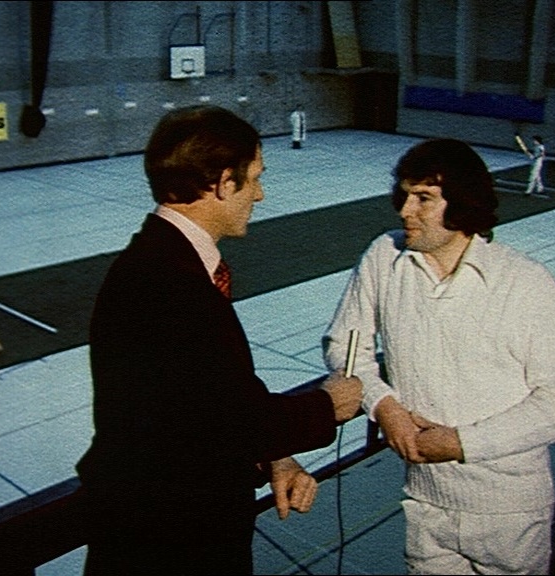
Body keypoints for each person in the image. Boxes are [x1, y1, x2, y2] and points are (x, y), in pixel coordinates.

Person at [75, 105, 362, 575]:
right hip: (171, 545)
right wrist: (328, 405)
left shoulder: (160, 261)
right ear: (224, 182)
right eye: (255, 179)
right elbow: (227, 420)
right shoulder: (169, 283)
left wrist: (274, 455)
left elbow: (197, 403)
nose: (260, 194)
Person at [322, 138, 555, 575]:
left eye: (423, 198)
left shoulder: (526, 283)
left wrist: (462, 443)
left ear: (464, 203)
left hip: (510, 513)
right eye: (404, 196)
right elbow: (344, 346)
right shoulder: (383, 256)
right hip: (424, 503)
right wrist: (384, 406)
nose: (405, 211)